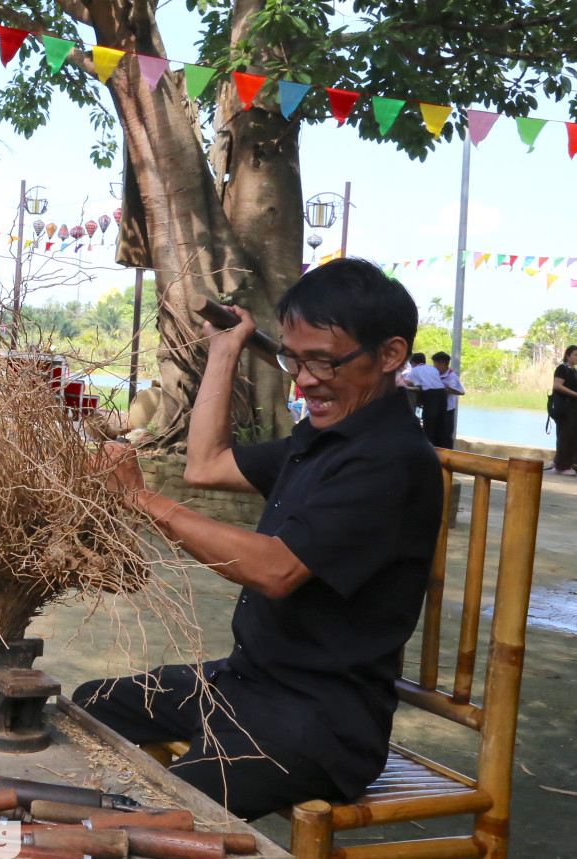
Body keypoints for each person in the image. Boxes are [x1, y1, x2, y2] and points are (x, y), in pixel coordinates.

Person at [78, 258, 442, 820]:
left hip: (319, 721)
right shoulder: (323, 438)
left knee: (165, 816)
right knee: (90, 706)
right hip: (244, 681)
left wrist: (141, 499)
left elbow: (275, 569)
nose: (304, 380)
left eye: (323, 361)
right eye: (293, 359)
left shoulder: (389, 460)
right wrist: (224, 351)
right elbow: (206, 464)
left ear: (391, 354)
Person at [402, 351, 447, 446]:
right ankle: (440, 447)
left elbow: (409, 384)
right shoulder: (433, 368)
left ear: (413, 363)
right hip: (442, 394)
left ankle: (428, 446)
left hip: (431, 395)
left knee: (429, 422)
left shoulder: (415, 370)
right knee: (440, 422)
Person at [551, 346, 577, 476]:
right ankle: (562, 466)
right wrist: (575, 394)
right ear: (568, 356)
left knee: (570, 435)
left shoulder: (573, 370)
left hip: (572, 407)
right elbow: (557, 385)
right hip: (564, 407)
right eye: (575, 355)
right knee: (566, 435)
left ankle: (560, 461)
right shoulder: (563, 368)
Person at [433, 351, 464, 450]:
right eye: (434, 363)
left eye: (437, 364)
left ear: (444, 364)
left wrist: (443, 388)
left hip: (447, 410)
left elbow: (461, 392)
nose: (435, 366)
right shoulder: (434, 374)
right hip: (436, 409)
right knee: (435, 435)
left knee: (446, 436)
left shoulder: (452, 377)